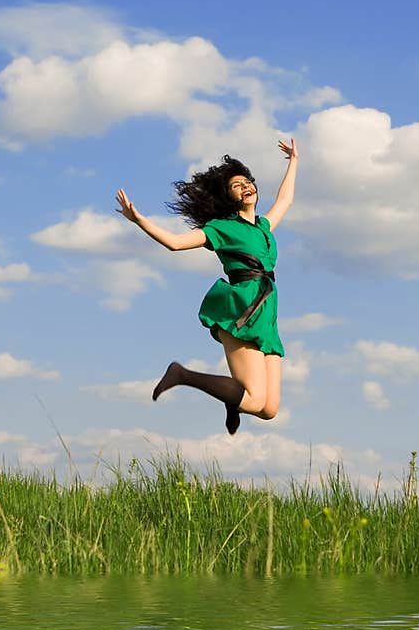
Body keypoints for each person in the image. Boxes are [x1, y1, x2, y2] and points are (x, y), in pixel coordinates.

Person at [115, 140, 298, 435]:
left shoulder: (263, 227)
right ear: (229, 197)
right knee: (254, 399)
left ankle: (230, 397)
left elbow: (285, 200)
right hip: (241, 309)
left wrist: (294, 160)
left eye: (247, 181)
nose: (245, 186)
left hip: (267, 314)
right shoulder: (220, 228)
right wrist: (138, 220)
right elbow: (175, 244)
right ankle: (182, 375)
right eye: (237, 185)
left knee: (269, 409)